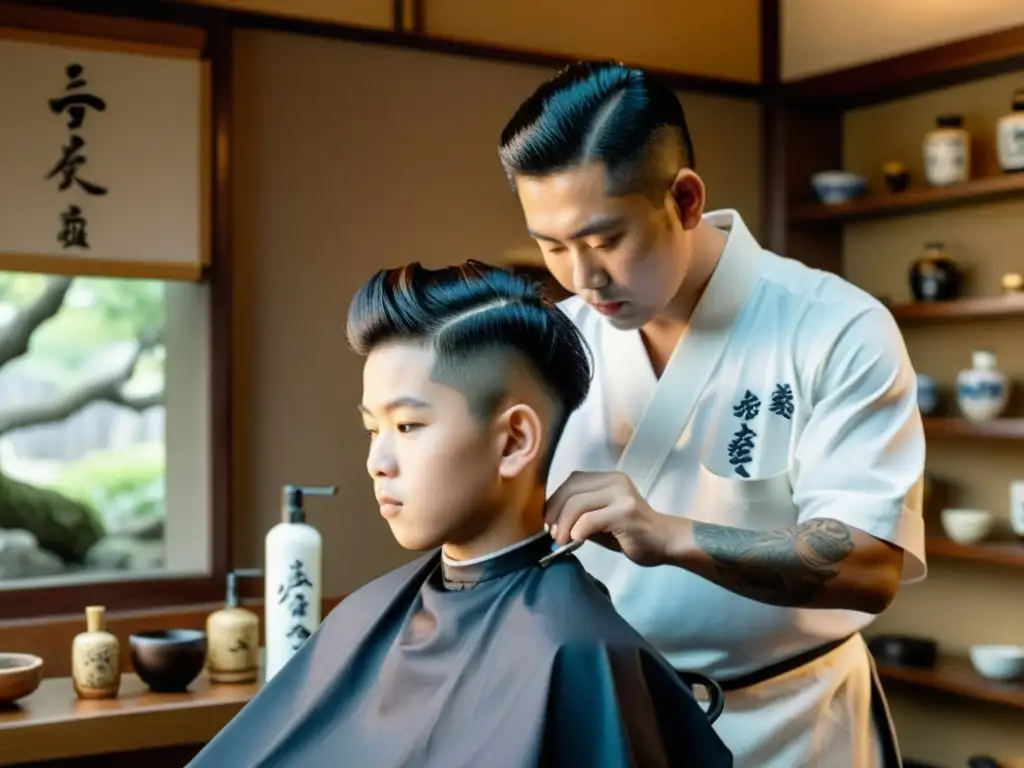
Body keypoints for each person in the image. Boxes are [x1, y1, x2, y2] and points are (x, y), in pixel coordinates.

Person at [497, 60, 926, 768]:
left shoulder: (836, 326)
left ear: (687, 200)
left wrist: (664, 533)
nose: (583, 277)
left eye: (606, 240)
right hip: (609, 717)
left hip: (790, 724)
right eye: (553, 245)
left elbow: (872, 564)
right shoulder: (554, 341)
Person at [186, 261, 733, 768]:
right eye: (372, 430)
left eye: (407, 427)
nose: (377, 462)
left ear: (515, 440)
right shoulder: (366, 614)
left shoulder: (575, 653)